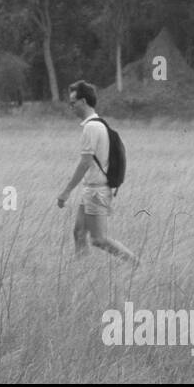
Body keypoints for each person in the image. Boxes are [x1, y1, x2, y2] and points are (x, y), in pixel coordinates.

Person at [56, 80, 138, 265]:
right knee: (78, 233)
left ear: (83, 102)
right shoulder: (96, 124)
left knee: (98, 239)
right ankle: (82, 273)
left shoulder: (91, 127)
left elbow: (85, 163)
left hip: (96, 190)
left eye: (73, 103)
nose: (71, 107)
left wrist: (66, 191)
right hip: (91, 189)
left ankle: (136, 265)